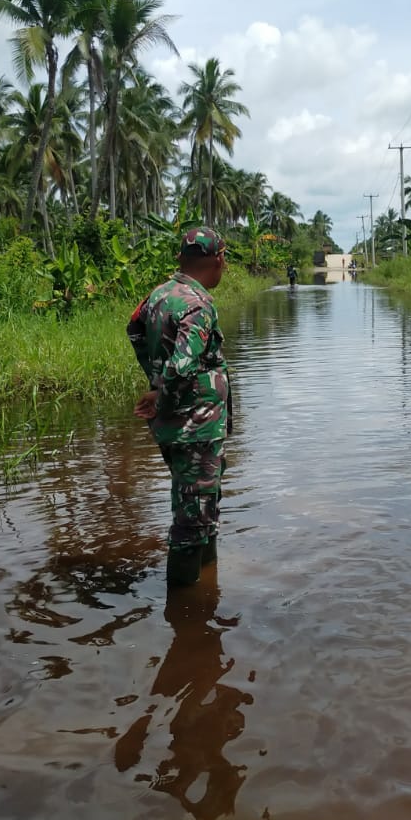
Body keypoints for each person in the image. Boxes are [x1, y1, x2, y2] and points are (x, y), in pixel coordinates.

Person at [127, 227, 231, 587]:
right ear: (219, 259)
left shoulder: (159, 295)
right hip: (195, 427)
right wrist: (163, 396)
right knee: (191, 525)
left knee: (203, 511)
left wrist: (155, 381)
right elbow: (184, 363)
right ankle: (187, 619)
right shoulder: (197, 304)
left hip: (180, 428)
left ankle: (208, 583)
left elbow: (134, 330)